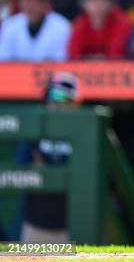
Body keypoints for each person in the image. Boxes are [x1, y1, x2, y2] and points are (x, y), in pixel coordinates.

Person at [16, 71, 79, 242]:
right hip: (35, 224)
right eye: (55, 96)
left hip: (70, 227)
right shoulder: (34, 131)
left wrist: (47, 168)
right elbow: (21, 171)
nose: (60, 104)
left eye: (68, 99)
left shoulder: (82, 132)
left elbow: (81, 177)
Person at [0, 0, 70, 61]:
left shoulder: (61, 26)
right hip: (16, 74)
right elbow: (4, 63)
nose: (28, 3)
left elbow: (63, 63)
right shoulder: (9, 26)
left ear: (45, 1)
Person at [68, 0, 133, 60]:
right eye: (94, 0)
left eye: (103, 0)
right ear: (85, 4)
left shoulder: (122, 22)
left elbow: (116, 54)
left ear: (111, 3)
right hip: (84, 70)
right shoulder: (79, 24)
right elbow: (73, 55)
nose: (98, 5)